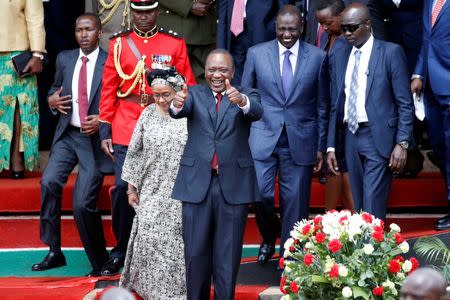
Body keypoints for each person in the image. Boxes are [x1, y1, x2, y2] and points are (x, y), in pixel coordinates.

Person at [99, 0, 196, 276]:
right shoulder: (119, 44)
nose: (143, 17)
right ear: (132, 12)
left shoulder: (173, 43)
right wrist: (105, 126)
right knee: (121, 189)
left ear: (157, 12)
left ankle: (161, 250)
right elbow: (109, 87)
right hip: (127, 123)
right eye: (139, 12)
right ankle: (120, 249)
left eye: (149, 12)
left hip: (163, 122)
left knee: (164, 189)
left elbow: (186, 85)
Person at [170, 49, 263, 300]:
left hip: (232, 186)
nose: (217, 74)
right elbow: (179, 108)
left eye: (223, 70)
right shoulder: (195, 93)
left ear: (232, 72)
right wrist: (175, 104)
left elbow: (256, 111)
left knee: (228, 255)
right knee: (195, 254)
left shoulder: (246, 94)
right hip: (196, 184)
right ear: (205, 72)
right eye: (212, 69)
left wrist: (241, 101)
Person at [241, 5, 330, 265]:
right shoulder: (256, 54)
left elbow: (323, 105)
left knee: (295, 202)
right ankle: (269, 237)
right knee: (260, 194)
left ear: (301, 27)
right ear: (275, 28)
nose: (287, 34)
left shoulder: (318, 57)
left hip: (301, 139)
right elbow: (248, 97)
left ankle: (290, 252)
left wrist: (321, 145)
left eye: (292, 29)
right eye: (282, 29)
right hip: (262, 136)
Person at [31, 13, 111, 277]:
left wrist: (103, 120)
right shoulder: (65, 59)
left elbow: (119, 100)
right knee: (49, 181)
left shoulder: (110, 61)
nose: (83, 34)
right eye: (79, 30)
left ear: (99, 33)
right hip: (68, 135)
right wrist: (52, 101)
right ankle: (54, 250)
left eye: (89, 30)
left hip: (93, 140)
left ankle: (100, 261)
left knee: (82, 203)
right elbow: (54, 90)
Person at [326, 3, 414, 220]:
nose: (346, 33)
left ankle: (371, 251)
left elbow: (405, 102)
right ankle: (365, 252)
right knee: (358, 201)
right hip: (350, 136)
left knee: (373, 200)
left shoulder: (390, 52)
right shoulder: (340, 52)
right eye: (343, 28)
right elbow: (335, 104)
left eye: (352, 28)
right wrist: (330, 145)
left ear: (368, 24)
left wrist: (402, 143)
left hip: (378, 137)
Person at [119, 68, 187, 299]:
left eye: (165, 94)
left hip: (181, 189)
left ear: (177, 91)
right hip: (151, 188)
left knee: (175, 243)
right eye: (156, 94)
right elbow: (135, 152)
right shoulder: (147, 114)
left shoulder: (188, 113)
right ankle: (151, 292)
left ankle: (175, 293)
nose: (160, 99)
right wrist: (131, 189)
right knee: (148, 238)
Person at [411, 0, 450, 231]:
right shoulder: (429, 1)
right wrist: (418, 72)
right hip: (432, 89)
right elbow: (428, 39)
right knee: (441, 149)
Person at [315, 0, 355, 212]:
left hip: (340, 119)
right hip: (330, 117)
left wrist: (328, 140)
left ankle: (357, 226)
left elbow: (338, 95)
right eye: (320, 24)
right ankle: (329, 220)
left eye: (328, 22)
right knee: (336, 170)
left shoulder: (344, 45)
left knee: (342, 170)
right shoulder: (329, 39)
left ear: (342, 16)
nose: (324, 28)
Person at [0, 0, 45, 178]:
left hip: (16, 55)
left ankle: (16, 158)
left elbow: (34, 17)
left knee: (19, 108)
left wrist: (37, 53)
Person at [217, 0, 295, 85]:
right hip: (234, 32)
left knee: (262, 76)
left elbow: (285, 7)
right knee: (236, 80)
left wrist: (278, 29)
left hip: (263, 30)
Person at [158, 0, 217, 83]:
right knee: (172, 82)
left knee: (207, 83)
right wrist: (188, 5)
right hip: (175, 29)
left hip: (206, 30)